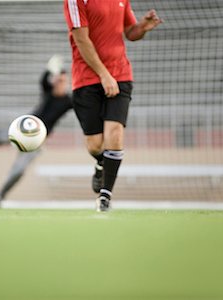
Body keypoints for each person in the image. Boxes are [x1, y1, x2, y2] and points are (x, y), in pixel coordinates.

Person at [63, 0, 162, 212]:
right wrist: (104, 75)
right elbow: (81, 39)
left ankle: (105, 197)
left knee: (115, 135)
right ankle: (101, 164)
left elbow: (130, 33)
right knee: (95, 145)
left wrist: (142, 27)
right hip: (87, 79)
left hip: (121, 74)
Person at [0, 55, 73, 208]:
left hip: (36, 141)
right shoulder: (48, 92)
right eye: (59, 80)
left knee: (18, 170)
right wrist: (51, 69)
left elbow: (83, 105)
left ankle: (0, 196)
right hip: (23, 128)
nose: (61, 83)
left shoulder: (68, 101)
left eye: (64, 81)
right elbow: (44, 80)